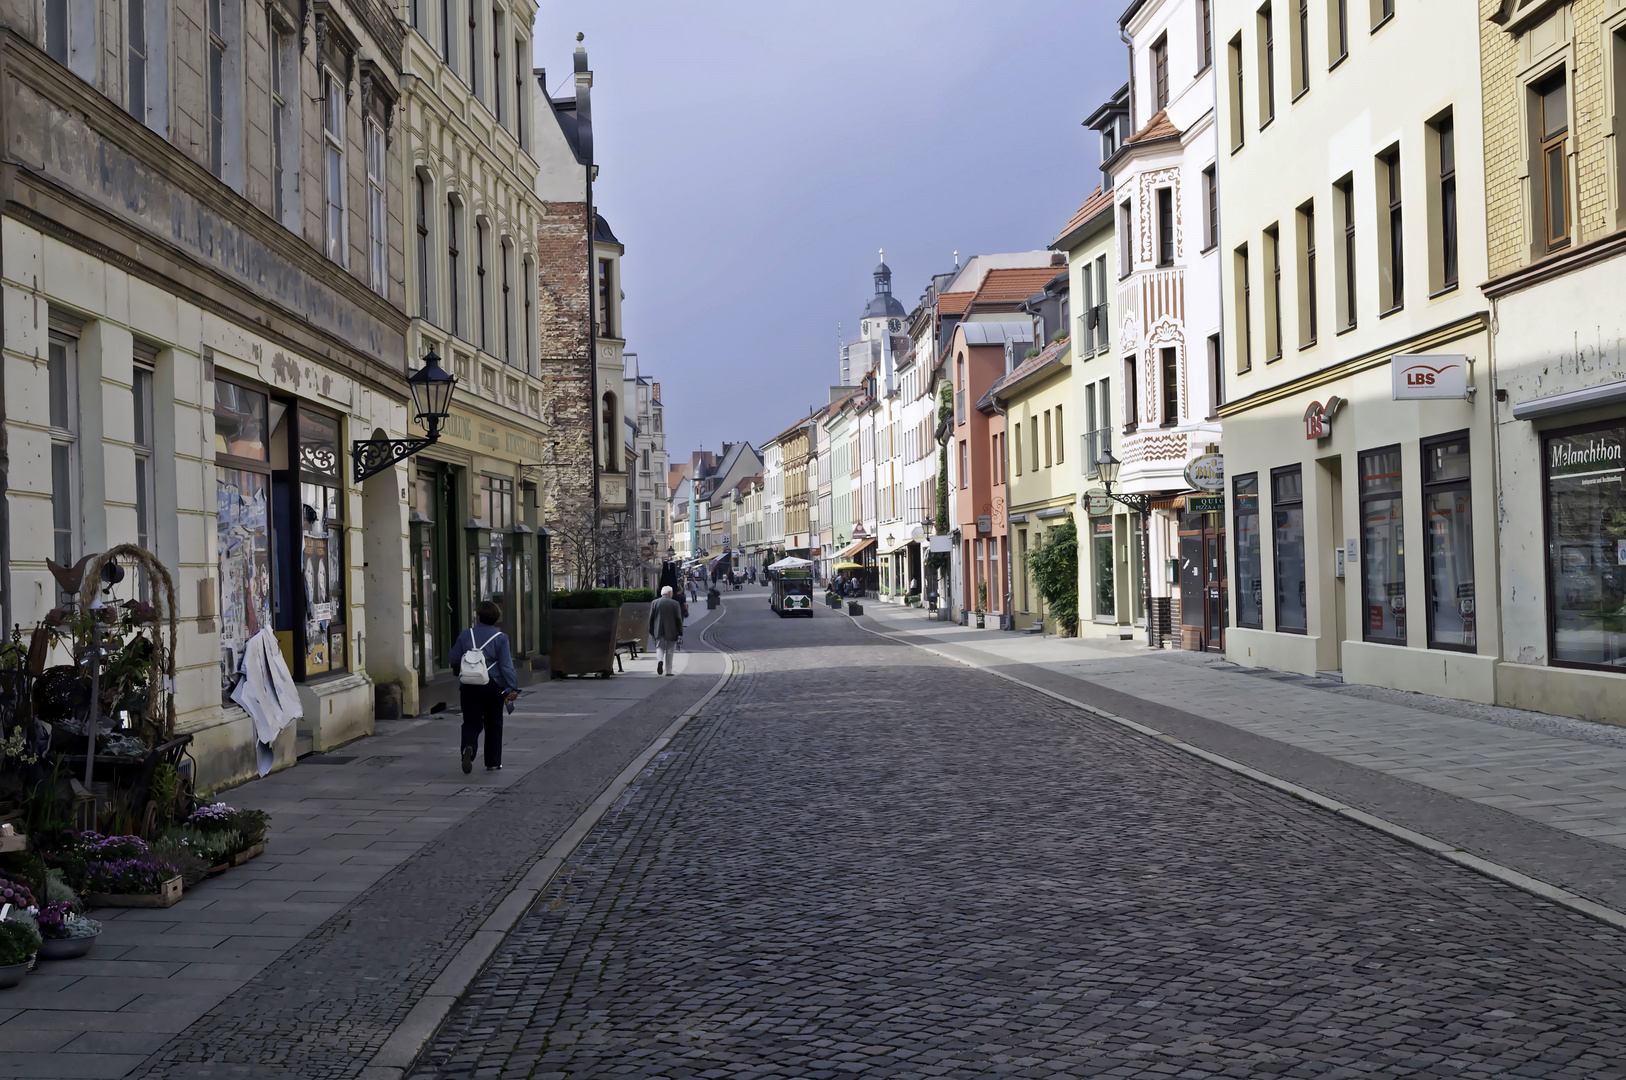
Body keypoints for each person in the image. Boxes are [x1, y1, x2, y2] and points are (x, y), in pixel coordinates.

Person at [448, 601, 518, 773]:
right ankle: (493, 762)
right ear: (496, 619)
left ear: (478, 616)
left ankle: (468, 748)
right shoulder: (501, 638)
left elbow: (453, 657)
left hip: (469, 685)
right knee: (494, 723)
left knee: (471, 722)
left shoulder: (466, 635)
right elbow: (506, 665)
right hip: (493, 686)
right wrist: (512, 687)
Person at [649, 585, 684, 676]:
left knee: (659, 647)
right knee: (670, 650)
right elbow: (678, 619)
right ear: (669, 593)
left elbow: (651, 618)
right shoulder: (675, 603)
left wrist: (651, 630)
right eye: (671, 592)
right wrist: (680, 631)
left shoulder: (654, 603)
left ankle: (660, 660)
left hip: (658, 629)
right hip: (672, 630)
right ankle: (668, 671)